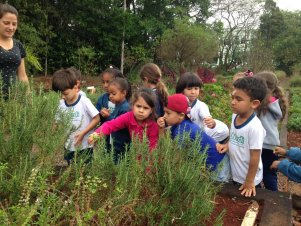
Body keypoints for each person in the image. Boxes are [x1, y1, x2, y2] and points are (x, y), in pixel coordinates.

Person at [157, 94, 230, 182]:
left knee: (216, 190)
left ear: (181, 115)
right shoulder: (177, 126)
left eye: (168, 113)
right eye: (164, 112)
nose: (164, 116)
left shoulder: (184, 130)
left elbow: (177, 157)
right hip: (210, 164)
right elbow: (167, 145)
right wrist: (161, 129)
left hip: (218, 165)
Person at [216, 77, 267, 197]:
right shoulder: (235, 116)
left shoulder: (255, 127)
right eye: (232, 97)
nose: (233, 102)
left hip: (249, 178)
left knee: (246, 201)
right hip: (236, 173)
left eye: (238, 99)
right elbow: (234, 135)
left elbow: (255, 157)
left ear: (254, 103)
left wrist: (249, 181)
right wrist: (227, 145)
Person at [52, 68, 100, 164]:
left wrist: (83, 133)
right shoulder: (61, 104)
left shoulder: (84, 101)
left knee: (85, 168)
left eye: (65, 93)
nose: (62, 97)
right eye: (60, 94)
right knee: (71, 168)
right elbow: (56, 122)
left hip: (85, 144)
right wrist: (53, 136)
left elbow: (97, 118)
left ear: (76, 88)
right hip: (69, 145)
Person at [89, 88, 159, 152]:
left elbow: (152, 149)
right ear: (133, 105)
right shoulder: (129, 116)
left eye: (146, 108)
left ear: (151, 110)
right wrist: (97, 133)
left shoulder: (153, 125)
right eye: (138, 106)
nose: (141, 110)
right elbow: (111, 124)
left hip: (148, 159)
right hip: (134, 156)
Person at [254, 71, 287, 191]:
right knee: (270, 173)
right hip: (272, 144)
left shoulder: (261, 103)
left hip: (262, 143)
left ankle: (265, 195)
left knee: (259, 171)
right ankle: (274, 196)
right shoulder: (276, 101)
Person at [175, 72, 229, 144]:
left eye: (196, 88)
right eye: (189, 89)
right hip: (181, 134)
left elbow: (207, 117)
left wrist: (211, 122)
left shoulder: (200, 106)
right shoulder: (176, 103)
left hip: (197, 136)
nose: (193, 92)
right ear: (182, 90)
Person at [0, 3, 29, 99]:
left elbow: (22, 76)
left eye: (14, 24)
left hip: (14, 100)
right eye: (6, 23)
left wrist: (28, 98)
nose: (11, 27)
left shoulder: (18, 45)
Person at [102, 77, 131, 163]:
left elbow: (119, 125)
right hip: (116, 143)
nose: (110, 96)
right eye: (109, 94)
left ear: (124, 93)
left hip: (122, 145)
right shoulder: (118, 105)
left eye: (113, 94)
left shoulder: (125, 108)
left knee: (120, 163)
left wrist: (108, 116)